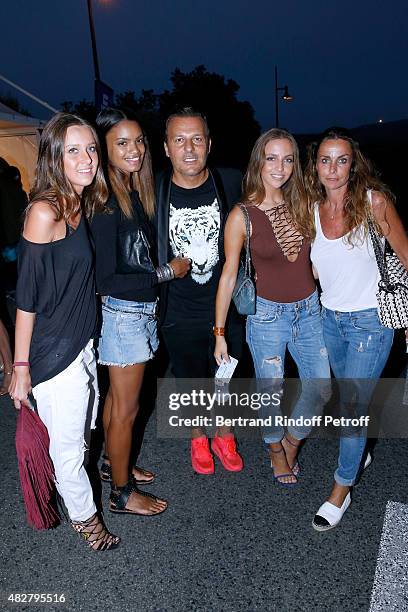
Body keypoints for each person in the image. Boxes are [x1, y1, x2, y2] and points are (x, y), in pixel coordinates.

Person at [8, 112, 120, 551]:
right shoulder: (44, 211)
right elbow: (27, 297)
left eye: (91, 148)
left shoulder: (77, 204)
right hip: (55, 352)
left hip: (82, 342)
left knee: (83, 429)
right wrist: (19, 367)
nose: (88, 158)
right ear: (55, 155)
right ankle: (87, 522)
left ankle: (71, 488)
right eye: (74, 149)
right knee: (70, 447)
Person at [305, 126, 408, 530]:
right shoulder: (310, 208)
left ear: (354, 163)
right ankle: (358, 450)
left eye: (341, 159)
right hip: (329, 320)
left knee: (351, 409)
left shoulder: (374, 203)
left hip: (370, 323)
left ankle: (341, 488)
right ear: (315, 166)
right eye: (325, 160)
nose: (333, 169)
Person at [214, 128, 331, 484]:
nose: (280, 167)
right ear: (258, 162)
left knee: (321, 387)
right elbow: (229, 276)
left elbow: (316, 260)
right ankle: (274, 448)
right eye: (271, 158)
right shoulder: (242, 215)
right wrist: (219, 333)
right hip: (267, 316)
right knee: (271, 391)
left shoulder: (305, 204)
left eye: (288, 158)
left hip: (310, 311)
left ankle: (292, 440)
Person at [90, 108, 189, 515]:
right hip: (123, 315)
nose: (134, 150)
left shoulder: (132, 190)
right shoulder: (106, 201)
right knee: (126, 411)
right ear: (105, 150)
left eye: (138, 141)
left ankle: (116, 462)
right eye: (122, 143)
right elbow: (105, 281)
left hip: (137, 312)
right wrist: (166, 272)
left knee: (118, 404)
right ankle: (121, 492)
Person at [156, 106, 245, 474]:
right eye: (179, 140)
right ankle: (197, 435)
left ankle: (224, 433)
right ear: (166, 148)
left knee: (226, 376)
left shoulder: (231, 181)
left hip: (227, 307)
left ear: (209, 144)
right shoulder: (154, 191)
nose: (189, 148)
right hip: (178, 310)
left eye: (196, 139)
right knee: (189, 377)